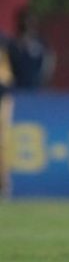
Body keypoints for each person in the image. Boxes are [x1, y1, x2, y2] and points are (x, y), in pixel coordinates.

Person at [9, 9, 54, 92]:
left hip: (36, 85)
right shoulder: (14, 44)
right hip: (18, 86)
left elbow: (49, 61)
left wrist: (45, 79)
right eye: (27, 22)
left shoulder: (41, 44)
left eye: (31, 22)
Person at [0, 30, 13, 199]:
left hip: (2, 99)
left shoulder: (3, 42)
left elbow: (6, 78)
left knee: (1, 143)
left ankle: (3, 184)